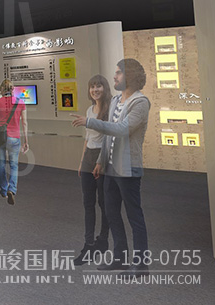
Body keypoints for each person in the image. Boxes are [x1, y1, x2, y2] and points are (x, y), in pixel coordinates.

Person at [72, 59, 151, 277]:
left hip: (128, 169)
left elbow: (121, 129)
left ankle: (141, 265)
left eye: (118, 73)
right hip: (110, 168)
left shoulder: (140, 102)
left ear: (130, 76)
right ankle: (120, 258)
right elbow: (108, 137)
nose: (114, 77)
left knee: (134, 216)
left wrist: (89, 122)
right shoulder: (116, 100)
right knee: (111, 213)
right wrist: (100, 161)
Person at [72, 75, 112, 266]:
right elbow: (88, 138)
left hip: (103, 159)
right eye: (92, 86)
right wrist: (82, 161)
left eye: (99, 86)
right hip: (89, 157)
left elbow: (109, 138)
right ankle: (88, 245)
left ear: (105, 88)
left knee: (104, 203)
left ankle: (103, 239)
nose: (95, 90)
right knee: (88, 203)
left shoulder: (110, 110)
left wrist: (100, 161)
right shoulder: (89, 110)